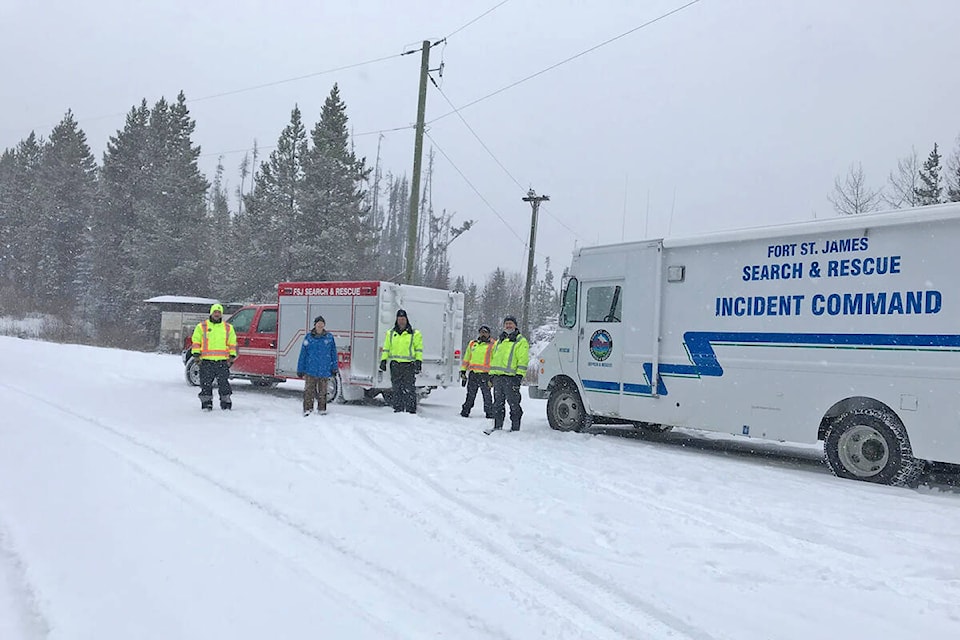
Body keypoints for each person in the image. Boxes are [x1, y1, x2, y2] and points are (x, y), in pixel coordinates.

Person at [485, 315, 530, 433]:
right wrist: (491, 375)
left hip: (511, 378)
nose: (508, 326)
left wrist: (519, 376)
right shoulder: (499, 341)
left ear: (515, 325)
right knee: (497, 404)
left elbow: (523, 359)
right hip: (498, 377)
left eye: (511, 323)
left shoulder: (520, 341)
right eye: (506, 324)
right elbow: (494, 358)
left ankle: (515, 428)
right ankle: (497, 426)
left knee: (514, 404)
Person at [190, 303, 237, 411]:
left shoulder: (228, 328)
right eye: (215, 312)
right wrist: (196, 355)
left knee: (224, 383)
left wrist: (232, 356)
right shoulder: (202, 327)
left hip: (222, 361)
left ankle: (226, 403)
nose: (217, 314)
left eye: (219, 312)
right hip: (206, 361)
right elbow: (196, 341)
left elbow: (232, 343)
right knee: (206, 384)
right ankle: (207, 403)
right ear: (211, 313)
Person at [379, 309, 423, 414]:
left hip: (409, 365)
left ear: (406, 319)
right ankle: (398, 409)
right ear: (397, 320)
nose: (401, 321)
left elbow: (419, 349)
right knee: (396, 388)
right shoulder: (391, 333)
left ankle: (411, 410)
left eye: (403, 319)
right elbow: (386, 348)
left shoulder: (414, 334)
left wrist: (418, 361)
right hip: (395, 364)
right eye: (399, 319)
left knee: (409, 388)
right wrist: (383, 360)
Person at [297, 315, 339, 417]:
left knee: (323, 392)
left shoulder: (329, 338)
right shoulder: (308, 337)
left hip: (324, 370)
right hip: (310, 369)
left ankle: (322, 409)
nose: (320, 325)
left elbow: (333, 353)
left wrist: (334, 367)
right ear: (315, 325)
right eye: (318, 323)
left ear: (324, 325)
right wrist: (300, 369)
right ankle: (307, 409)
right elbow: (303, 354)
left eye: (322, 323)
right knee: (309, 391)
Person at [460, 325, 496, 419]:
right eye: (481, 332)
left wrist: (493, 375)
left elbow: (495, 360)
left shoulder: (493, 345)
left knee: (487, 395)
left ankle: (489, 413)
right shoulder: (473, 344)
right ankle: (465, 411)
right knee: (470, 394)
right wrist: (463, 371)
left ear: (489, 334)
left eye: (485, 332)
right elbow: (467, 358)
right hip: (473, 374)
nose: (483, 334)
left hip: (486, 374)